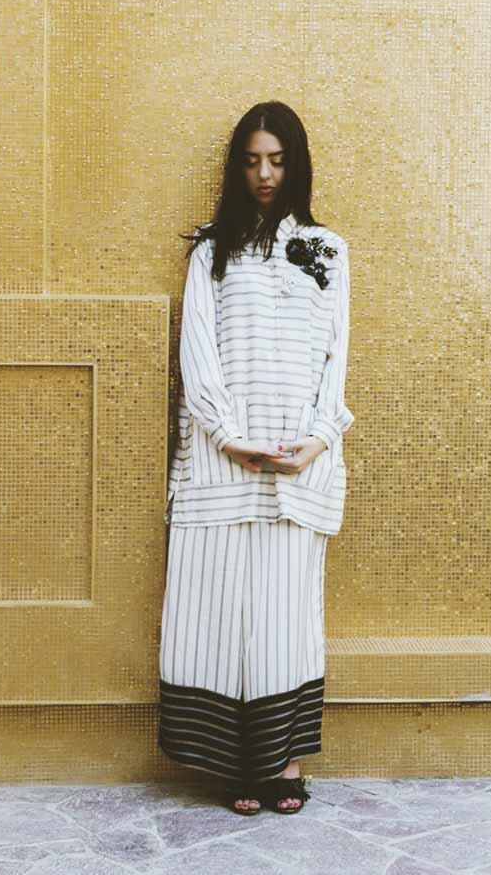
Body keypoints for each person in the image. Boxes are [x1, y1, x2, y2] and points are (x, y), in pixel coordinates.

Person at [158, 100, 355, 816]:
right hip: (222, 462)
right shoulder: (212, 251)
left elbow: (336, 355)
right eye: (251, 161)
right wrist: (223, 433)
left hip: (298, 461)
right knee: (217, 608)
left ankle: (285, 763)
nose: (264, 174)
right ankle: (238, 765)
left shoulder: (329, 251)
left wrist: (321, 437)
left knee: (286, 611)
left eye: (276, 160)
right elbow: (197, 351)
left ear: (296, 164)